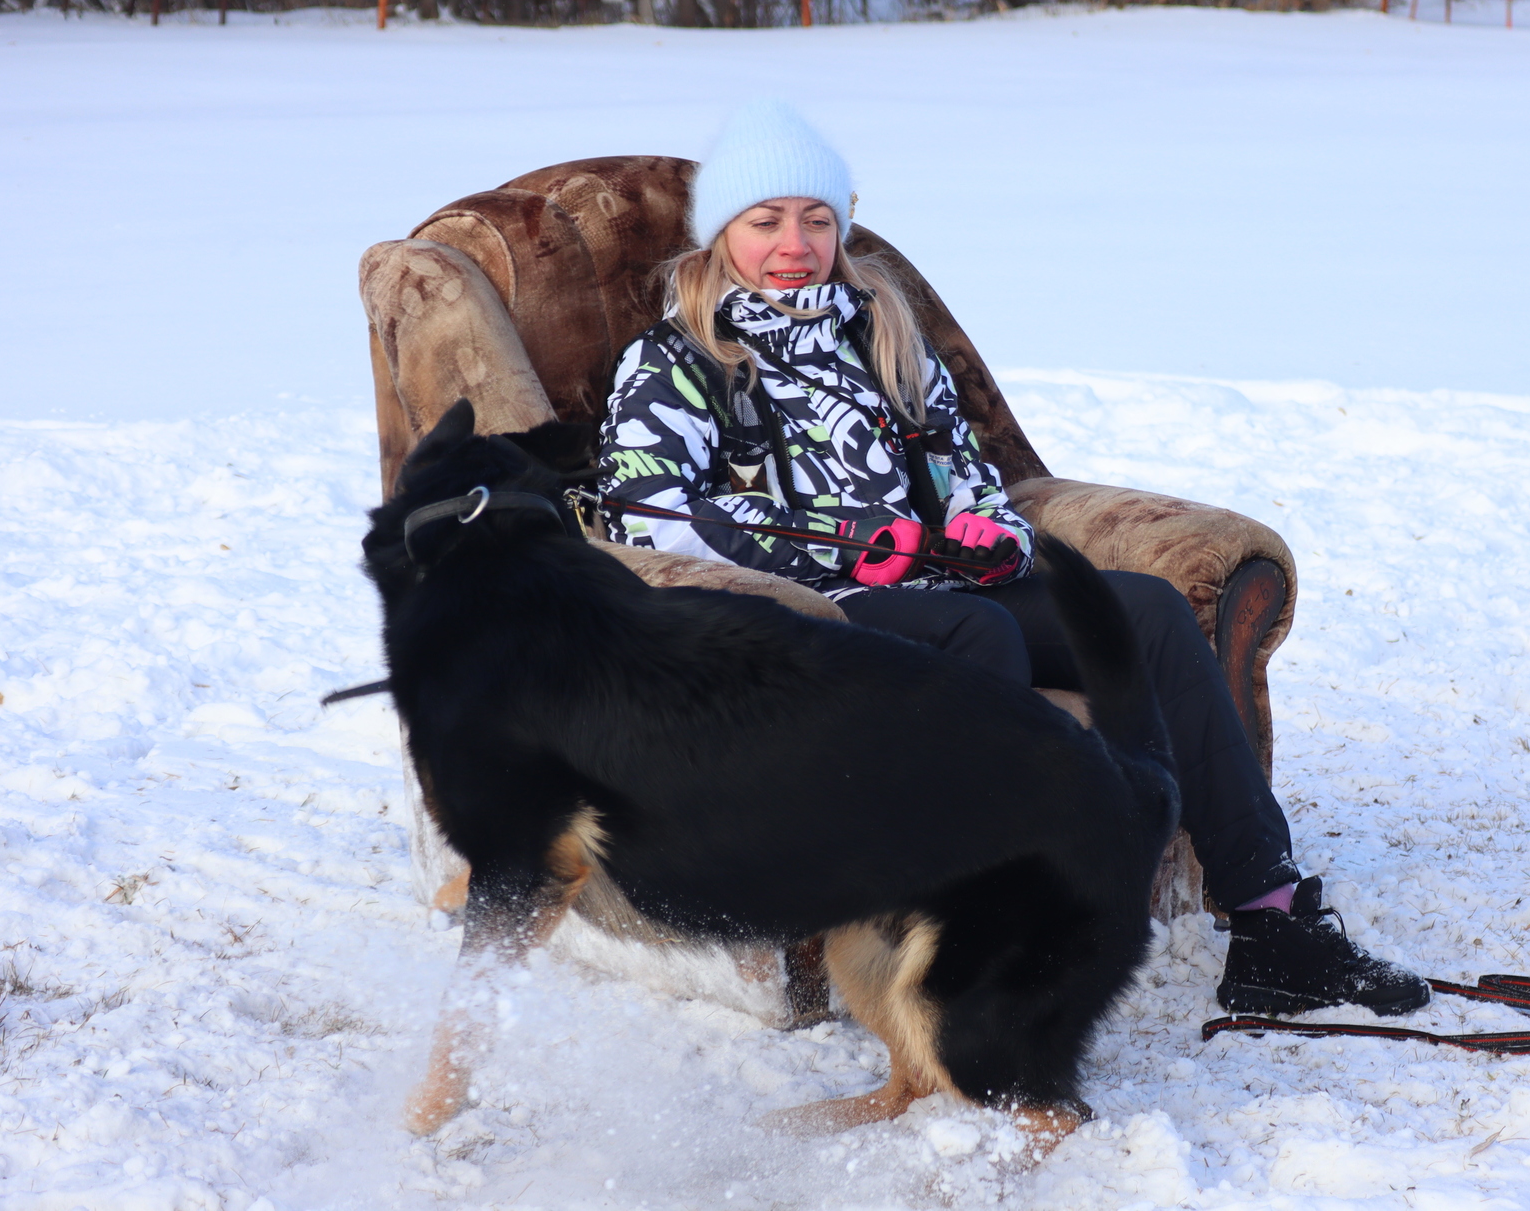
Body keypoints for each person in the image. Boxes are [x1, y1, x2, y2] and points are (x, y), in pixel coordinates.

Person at [594, 100, 1428, 1018]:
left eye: (817, 219)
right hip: (810, 612)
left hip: (938, 587)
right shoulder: (673, 361)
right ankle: (985, 949)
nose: (794, 242)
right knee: (973, 627)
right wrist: (847, 544)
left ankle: (1273, 925)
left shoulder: (881, 333)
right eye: (765, 221)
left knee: (1141, 613)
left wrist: (989, 531)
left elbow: (961, 469)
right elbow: (651, 515)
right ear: (721, 236)